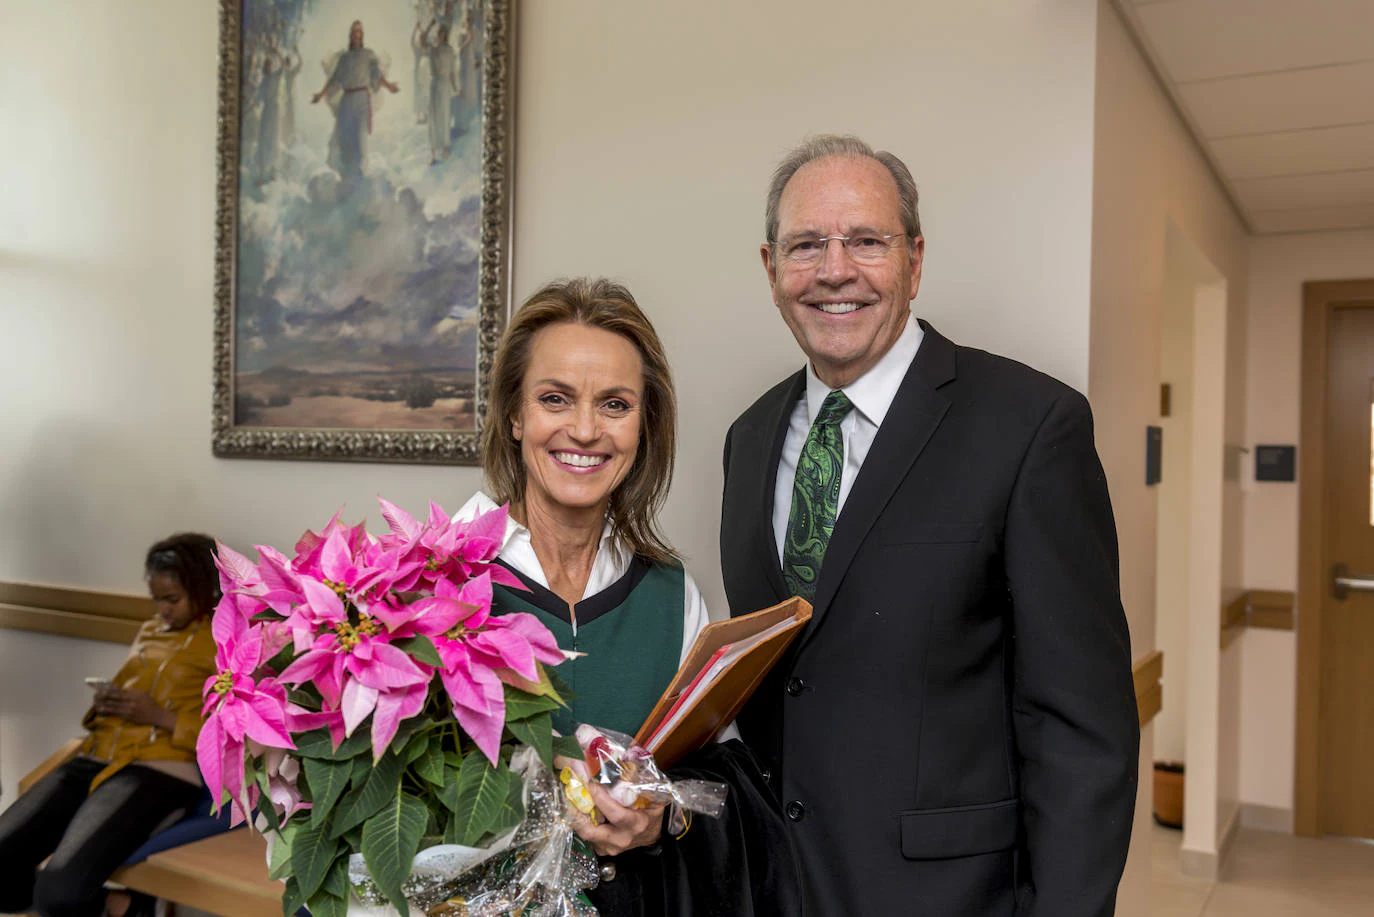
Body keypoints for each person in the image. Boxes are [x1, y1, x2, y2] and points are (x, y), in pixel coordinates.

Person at [719, 135, 1140, 916]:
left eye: (866, 242)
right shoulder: (748, 441)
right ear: (772, 267)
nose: (835, 270)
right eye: (807, 244)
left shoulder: (1030, 427)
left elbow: (1081, 731)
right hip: (781, 888)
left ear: (914, 261)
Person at [466, 278, 797, 917]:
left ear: (644, 426)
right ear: (514, 415)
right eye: (555, 398)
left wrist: (662, 816)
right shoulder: (436, 583)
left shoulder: (672, 597)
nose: (585, 431)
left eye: (615, 404)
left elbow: (718, 785)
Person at [0, 534, 222, 917]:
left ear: (204, 589)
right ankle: (118, 906)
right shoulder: (151, 630)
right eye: (157, 599)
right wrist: (106, 703)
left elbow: (234, 732)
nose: (163, 611)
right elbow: (134, 696)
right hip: (99, 756)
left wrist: (161, 717)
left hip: (159, 770)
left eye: (172, 600)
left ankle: (122, 907)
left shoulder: (226, 638)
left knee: (59, 896)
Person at [312, 20, 400, 180]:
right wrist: (320, 94)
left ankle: (360, 178)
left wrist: (389, 86)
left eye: (359, 32)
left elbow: (377, 75)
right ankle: (346, 178)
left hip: (361, 101)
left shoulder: (368, 55)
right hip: (346, 100)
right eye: (354, 32)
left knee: (360, 140)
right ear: (350, 35)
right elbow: (334, 80)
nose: (356, 35)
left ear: (362, 35)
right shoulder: (344, 58)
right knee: (345, 139)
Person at [426, 23, 458, 163]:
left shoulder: (450, 50)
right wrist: (429, 26)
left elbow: (452, 70)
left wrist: (455, 86)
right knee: (434, 117)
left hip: (445, 85)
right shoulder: (433, 50)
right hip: (435, 84)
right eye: (439, 33)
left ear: (446, 35)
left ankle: (445, 148)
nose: (441, 36)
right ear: (437, 35)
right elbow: (423, 40)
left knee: (444, 115)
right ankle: (433, 153)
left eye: (443, 33)